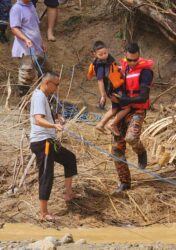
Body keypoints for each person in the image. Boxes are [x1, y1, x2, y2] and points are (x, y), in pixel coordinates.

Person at [30, 72, 78, 221]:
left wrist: (57, 118)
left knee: (70, 158)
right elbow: (38, 120)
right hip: (42, 141)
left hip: (50, 141)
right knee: (46, 175)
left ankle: (68, 193)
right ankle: (43, 213)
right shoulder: (38, 96)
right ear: (47, 83)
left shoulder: (44, 96)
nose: (57, 88)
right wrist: (54, 125)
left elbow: (46, 115)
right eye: (56, 84)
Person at [111, 42, 153, 194]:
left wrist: (126, 101)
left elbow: (143, 96)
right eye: (130, 60)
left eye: (136, 60)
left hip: (137, 110)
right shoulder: (122, 68)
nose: (133, 63)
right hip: (121, 110)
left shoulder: (146, 72)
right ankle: (124, 183)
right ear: (125, 56)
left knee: (131, 138)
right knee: (116, 149)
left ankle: (141, 151)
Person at [87, 41, 130, 136]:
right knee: (127, 107)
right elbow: (100, 81)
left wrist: (119, 68)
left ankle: (101, 124)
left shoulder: (107, 61)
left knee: (115, 108)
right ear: (94, 54)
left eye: (105, 53)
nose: (103, 56)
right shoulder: (100, 66)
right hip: (113, 90)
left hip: (114, 88)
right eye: (100, 54)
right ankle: (112, 124)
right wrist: (103, 95)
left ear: (108, 50)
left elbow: (112, 69)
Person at [10, 0, 48, 96]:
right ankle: (23, 98)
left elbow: (35, 26)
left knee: (44, 70)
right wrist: (25, 39)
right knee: (26, 73)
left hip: (37, 46)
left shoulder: (31, 6)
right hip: (25, 48)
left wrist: (41, 42)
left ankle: (43, 95)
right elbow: (14, 28)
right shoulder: (16, 9)